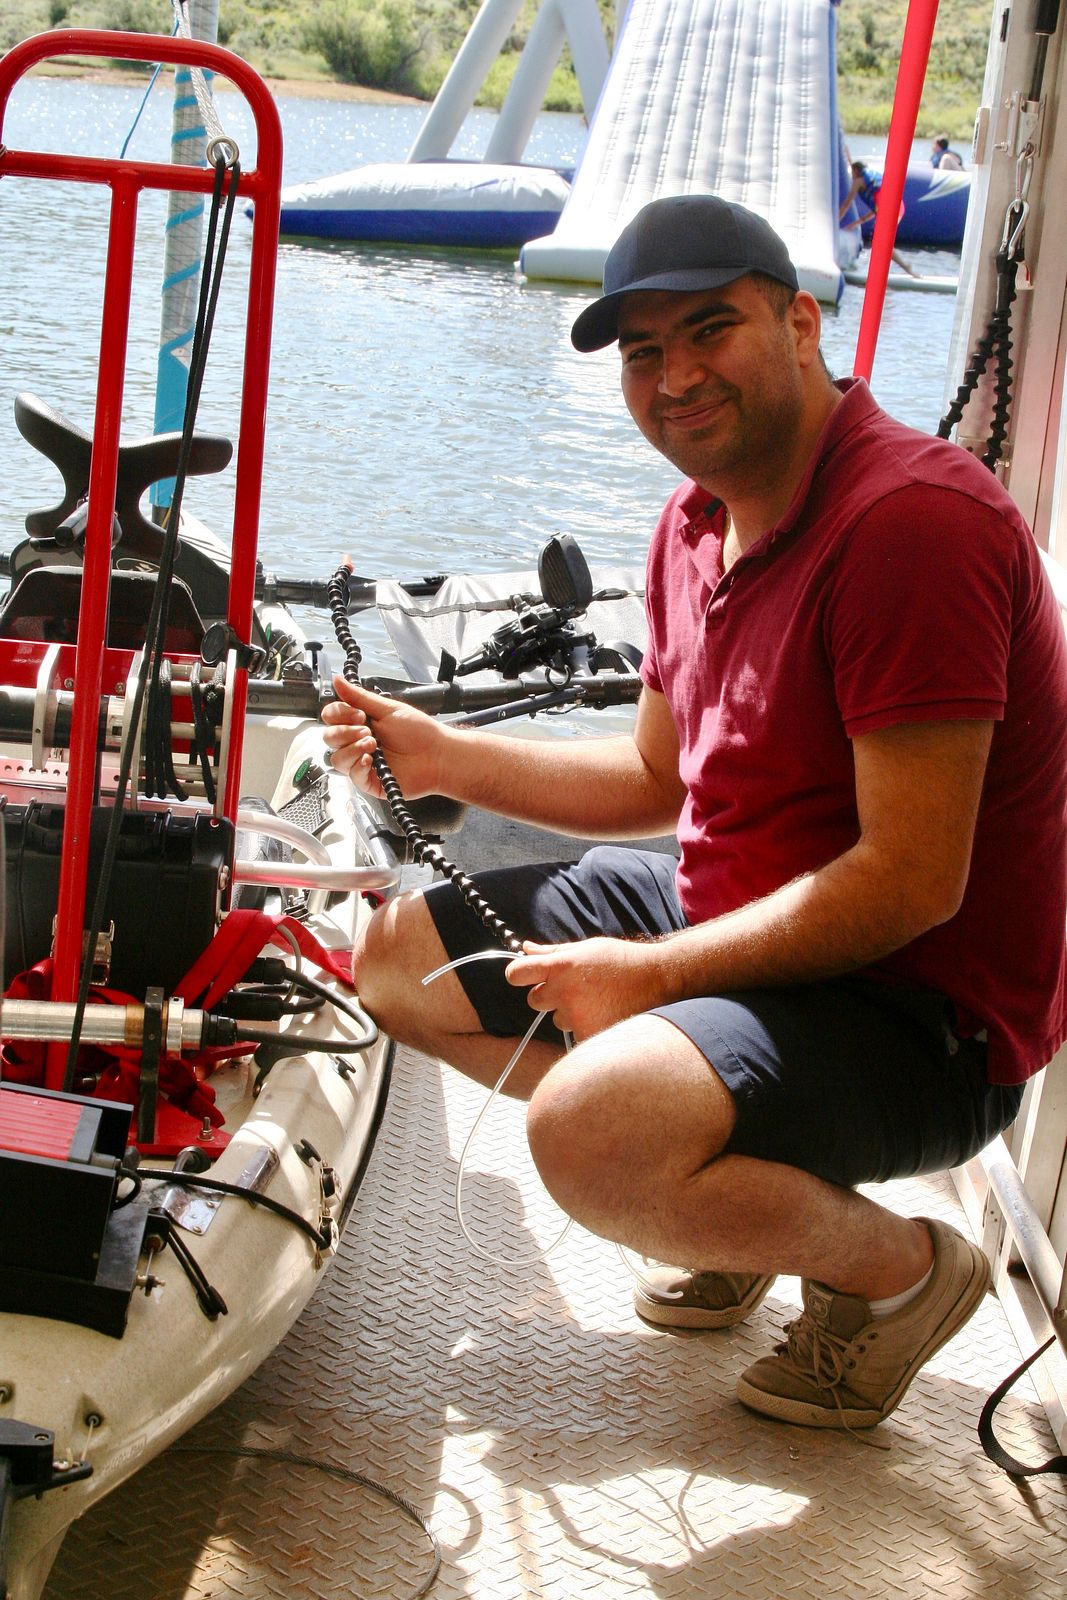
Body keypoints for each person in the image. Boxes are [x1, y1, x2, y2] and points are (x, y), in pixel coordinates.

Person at [322, 194, 1067, 1433]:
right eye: (640, 351)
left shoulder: (909, 527)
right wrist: (439, 751)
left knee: (590, 1134)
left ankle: (894, 1275)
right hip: (737, 915)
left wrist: (648, 973)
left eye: (708, 329)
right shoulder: (694, 521)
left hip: (916, 1009)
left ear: (798, 322)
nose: (673, 376)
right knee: (395, 960)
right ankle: (742, 1199)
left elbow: (911, 882)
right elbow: (657, 784)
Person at [839, 159, 917, 276]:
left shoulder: (859, 181)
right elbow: (876, 208)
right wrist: (857, 223)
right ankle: (897, 269)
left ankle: (901, 268)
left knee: (881, 242)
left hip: (888, 208)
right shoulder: (872, 179)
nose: (851, 177)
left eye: (852, 173)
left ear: (856, 171)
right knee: (882, 242)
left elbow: (846, 204)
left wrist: (835, 223)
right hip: (898, 206)